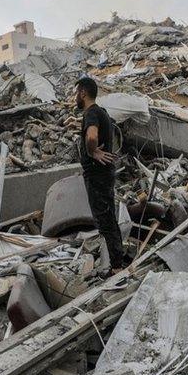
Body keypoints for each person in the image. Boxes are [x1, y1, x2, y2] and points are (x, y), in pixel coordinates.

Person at [75, 76, 127, 269]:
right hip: (104, 175)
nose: (75, 98)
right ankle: (117, 262)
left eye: (76, 94)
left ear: (83, 93)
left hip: (97, 175)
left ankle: (117, 267)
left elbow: (92, 136)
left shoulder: (91, 113)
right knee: (109, 218)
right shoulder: (101, 112)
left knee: (105, 221)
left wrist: (92, 151)